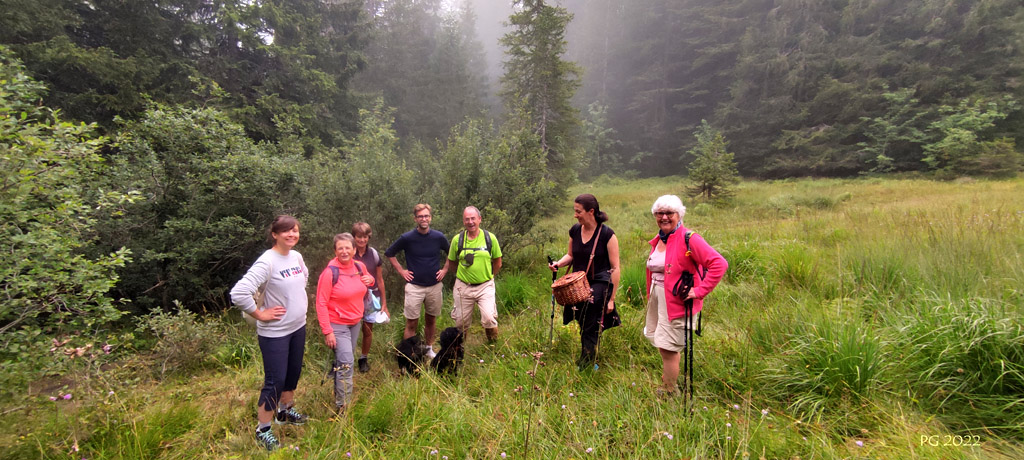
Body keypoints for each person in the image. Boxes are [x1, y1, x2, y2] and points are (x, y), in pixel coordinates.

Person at [229, 215, 309, 451]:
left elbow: (303, 276)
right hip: (275, 332)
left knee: (292, 373)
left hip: (298, 326)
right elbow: (239, 293)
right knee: (275, 381)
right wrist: (260, 314)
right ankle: (263, 429)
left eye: (295, 231)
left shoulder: (296, 256)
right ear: (275, 234)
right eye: (286, 231)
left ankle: (285, 412)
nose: (292, 235)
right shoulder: (268, 261)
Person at [643, 195, 727, 396]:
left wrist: (699, 291)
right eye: (659, 213)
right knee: (663, 344)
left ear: (679, 215)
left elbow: (719, 264)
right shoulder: (660, 239)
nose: (664, 217)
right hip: (658, 297)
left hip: (677, 301)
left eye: (669, 213)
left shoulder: (689, 238)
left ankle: (670, 391)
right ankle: (668, 383)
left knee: (670, 347)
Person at [548, 194, 620, 369]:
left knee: (590, 318)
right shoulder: (575, 230)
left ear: (591, 211)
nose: (575, 215)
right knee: (582, 319)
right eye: (575, 211)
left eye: (578, 211)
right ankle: (590, 350)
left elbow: (615, 267)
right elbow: (571, 255)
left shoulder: (607, 235)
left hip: (600, 282)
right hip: (578, 284)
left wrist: (611, 299)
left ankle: (586, 362)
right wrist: (558, 263)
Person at [315, 233, 375, 413]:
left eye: (348, 248)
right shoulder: (329, 273)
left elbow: (368, 281)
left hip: (355, 322)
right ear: (335, 251)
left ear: (354, 250)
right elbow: (321, 303)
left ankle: (340, 394)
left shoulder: (359, 266)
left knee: (342, 362)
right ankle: (343, 407)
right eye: (340, 248)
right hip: (337, 324)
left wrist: (370, 280)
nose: (344, 251)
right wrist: (327, 331)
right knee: (347, 363)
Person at [385, 204, 450, 358]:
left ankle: (428, 349)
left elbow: (451, 252)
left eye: (426, 216)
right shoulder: (407, 238)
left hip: (434, 286)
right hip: (414, 287)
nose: (424, 219)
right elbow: (390, 253)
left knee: (431, 320)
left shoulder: (438, 237)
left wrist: (445, 269)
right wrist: (402, 271)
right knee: (411, 323)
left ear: (431, 218)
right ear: (415, 219)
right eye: (420, 216)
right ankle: (408, 353)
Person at [446, 206, 502, 342]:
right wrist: (462, 277)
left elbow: (498, 262)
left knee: (489, 318)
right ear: (463, 221)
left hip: (485, 285)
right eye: (467, 219)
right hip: (463, 286)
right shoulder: (457, 240)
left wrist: (489, 277)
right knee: (460, 323)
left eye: (473, 218)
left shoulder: (490, 238)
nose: (470, 222)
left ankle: (492, 345)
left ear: (479, 219)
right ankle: (460, 349)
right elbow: (452, 262)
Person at [352, 222, 388, 373]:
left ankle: (363, 359)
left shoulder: (373, 254)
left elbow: (379, 279)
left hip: (371, 297)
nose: (362, 240)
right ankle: (342, 360)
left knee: (368, 330)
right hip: (351, 298)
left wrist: (384, 303)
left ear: (368, 237)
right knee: (348, 330)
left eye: (365, 237)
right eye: (359, 237)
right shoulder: (348, 253)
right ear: (354, 237)